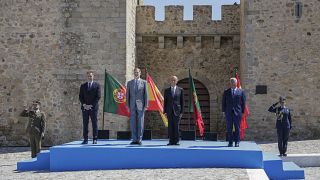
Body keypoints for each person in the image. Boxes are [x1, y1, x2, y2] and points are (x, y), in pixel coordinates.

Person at [126, 68, 149, 145]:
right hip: (132, 105)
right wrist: (127, 105)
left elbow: (146, 95)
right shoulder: (129, 83)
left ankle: (139, 139)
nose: (136, 73)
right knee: (133, 122)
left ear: (140, 73)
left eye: (137, 72)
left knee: (140, 122)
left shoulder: (144, 82)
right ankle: (134, 139)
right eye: (135, 72)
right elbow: (127, 95)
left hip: (141, 105)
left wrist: (146, 105)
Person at [222, 77, 246, 147]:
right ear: (230, 83)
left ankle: (237, 142)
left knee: (237, 128)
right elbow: (223, 102)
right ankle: (230, 142)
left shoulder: (241, 91)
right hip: (228, 112)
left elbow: (243, 103)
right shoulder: (226, 92)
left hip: (237, 113)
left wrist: (243, 112)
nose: (233, 83)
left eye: (234, 82)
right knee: (229, 128)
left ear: (236, 83)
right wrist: (223, 111)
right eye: (231, 82)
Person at [79, 71, 101, 144]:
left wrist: (91, 105)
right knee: (85, 123)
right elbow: (80, 97)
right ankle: (85, 139)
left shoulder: (97, 85)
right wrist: (84, 104)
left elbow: (98, 97)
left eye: (91, 76)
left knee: (94, 123)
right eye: (88, 76)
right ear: (87, 77)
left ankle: (95, 138)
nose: (90, 77)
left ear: (93, 76)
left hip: (93, 108)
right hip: (85, 108)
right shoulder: (83, 86)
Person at [164, 76, 184, 145]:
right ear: (170, 81)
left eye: (174, 80)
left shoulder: (180, 90)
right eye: (172, 80)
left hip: (177, 111)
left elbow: (182, 102)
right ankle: (171, 140)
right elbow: (165, 102)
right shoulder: (166, 90)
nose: (173, 81)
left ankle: (176, 140)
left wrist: (182, 112)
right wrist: (165, 112)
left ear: (176, 81)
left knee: (176, 126)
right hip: (169, 111)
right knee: (170, 126)